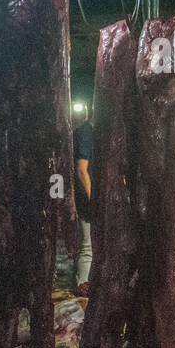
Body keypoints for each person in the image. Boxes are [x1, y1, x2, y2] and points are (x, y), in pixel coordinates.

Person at [73, 102, 94, 293]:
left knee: (90, 242)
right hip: (87, 198)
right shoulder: (86, 133)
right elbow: (82, 169)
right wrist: (92, 198)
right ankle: (83, 282)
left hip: (91, 196)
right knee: (87, 244)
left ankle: (86, 280)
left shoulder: (91, 132)